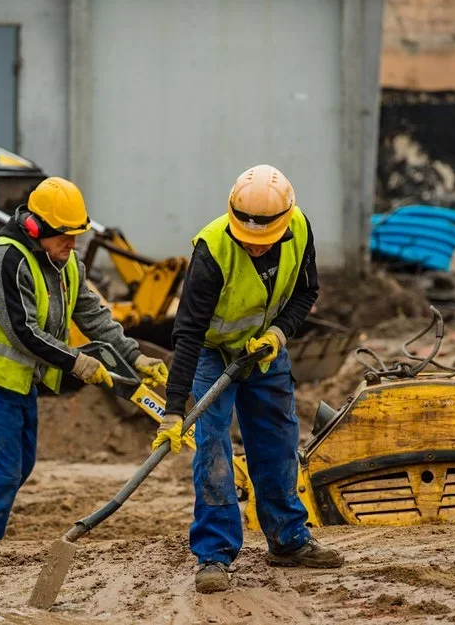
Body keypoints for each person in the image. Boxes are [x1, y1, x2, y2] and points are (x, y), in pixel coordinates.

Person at [0, 176, 169, 542]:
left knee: (16, 468)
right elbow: (23, 332)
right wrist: (77, 362)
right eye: (65, 235)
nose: (73, 243)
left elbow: (93, 315)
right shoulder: (5, 260)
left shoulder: (65, 261)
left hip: (20, 380)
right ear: (36, 228)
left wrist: (134, 356)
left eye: (76, 235)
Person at [154, 164, 344, 593]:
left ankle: (289, 541)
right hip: (212, 353)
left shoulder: (299, 230)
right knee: (214, 448)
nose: (255, 249)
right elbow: (186, 334)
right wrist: (171, 410)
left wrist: (278, 333)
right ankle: (214, 555)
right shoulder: (212, 250)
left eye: (264, 242)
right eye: (248, 241)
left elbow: (305, 292)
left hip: (265, 350)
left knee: (277, 442)